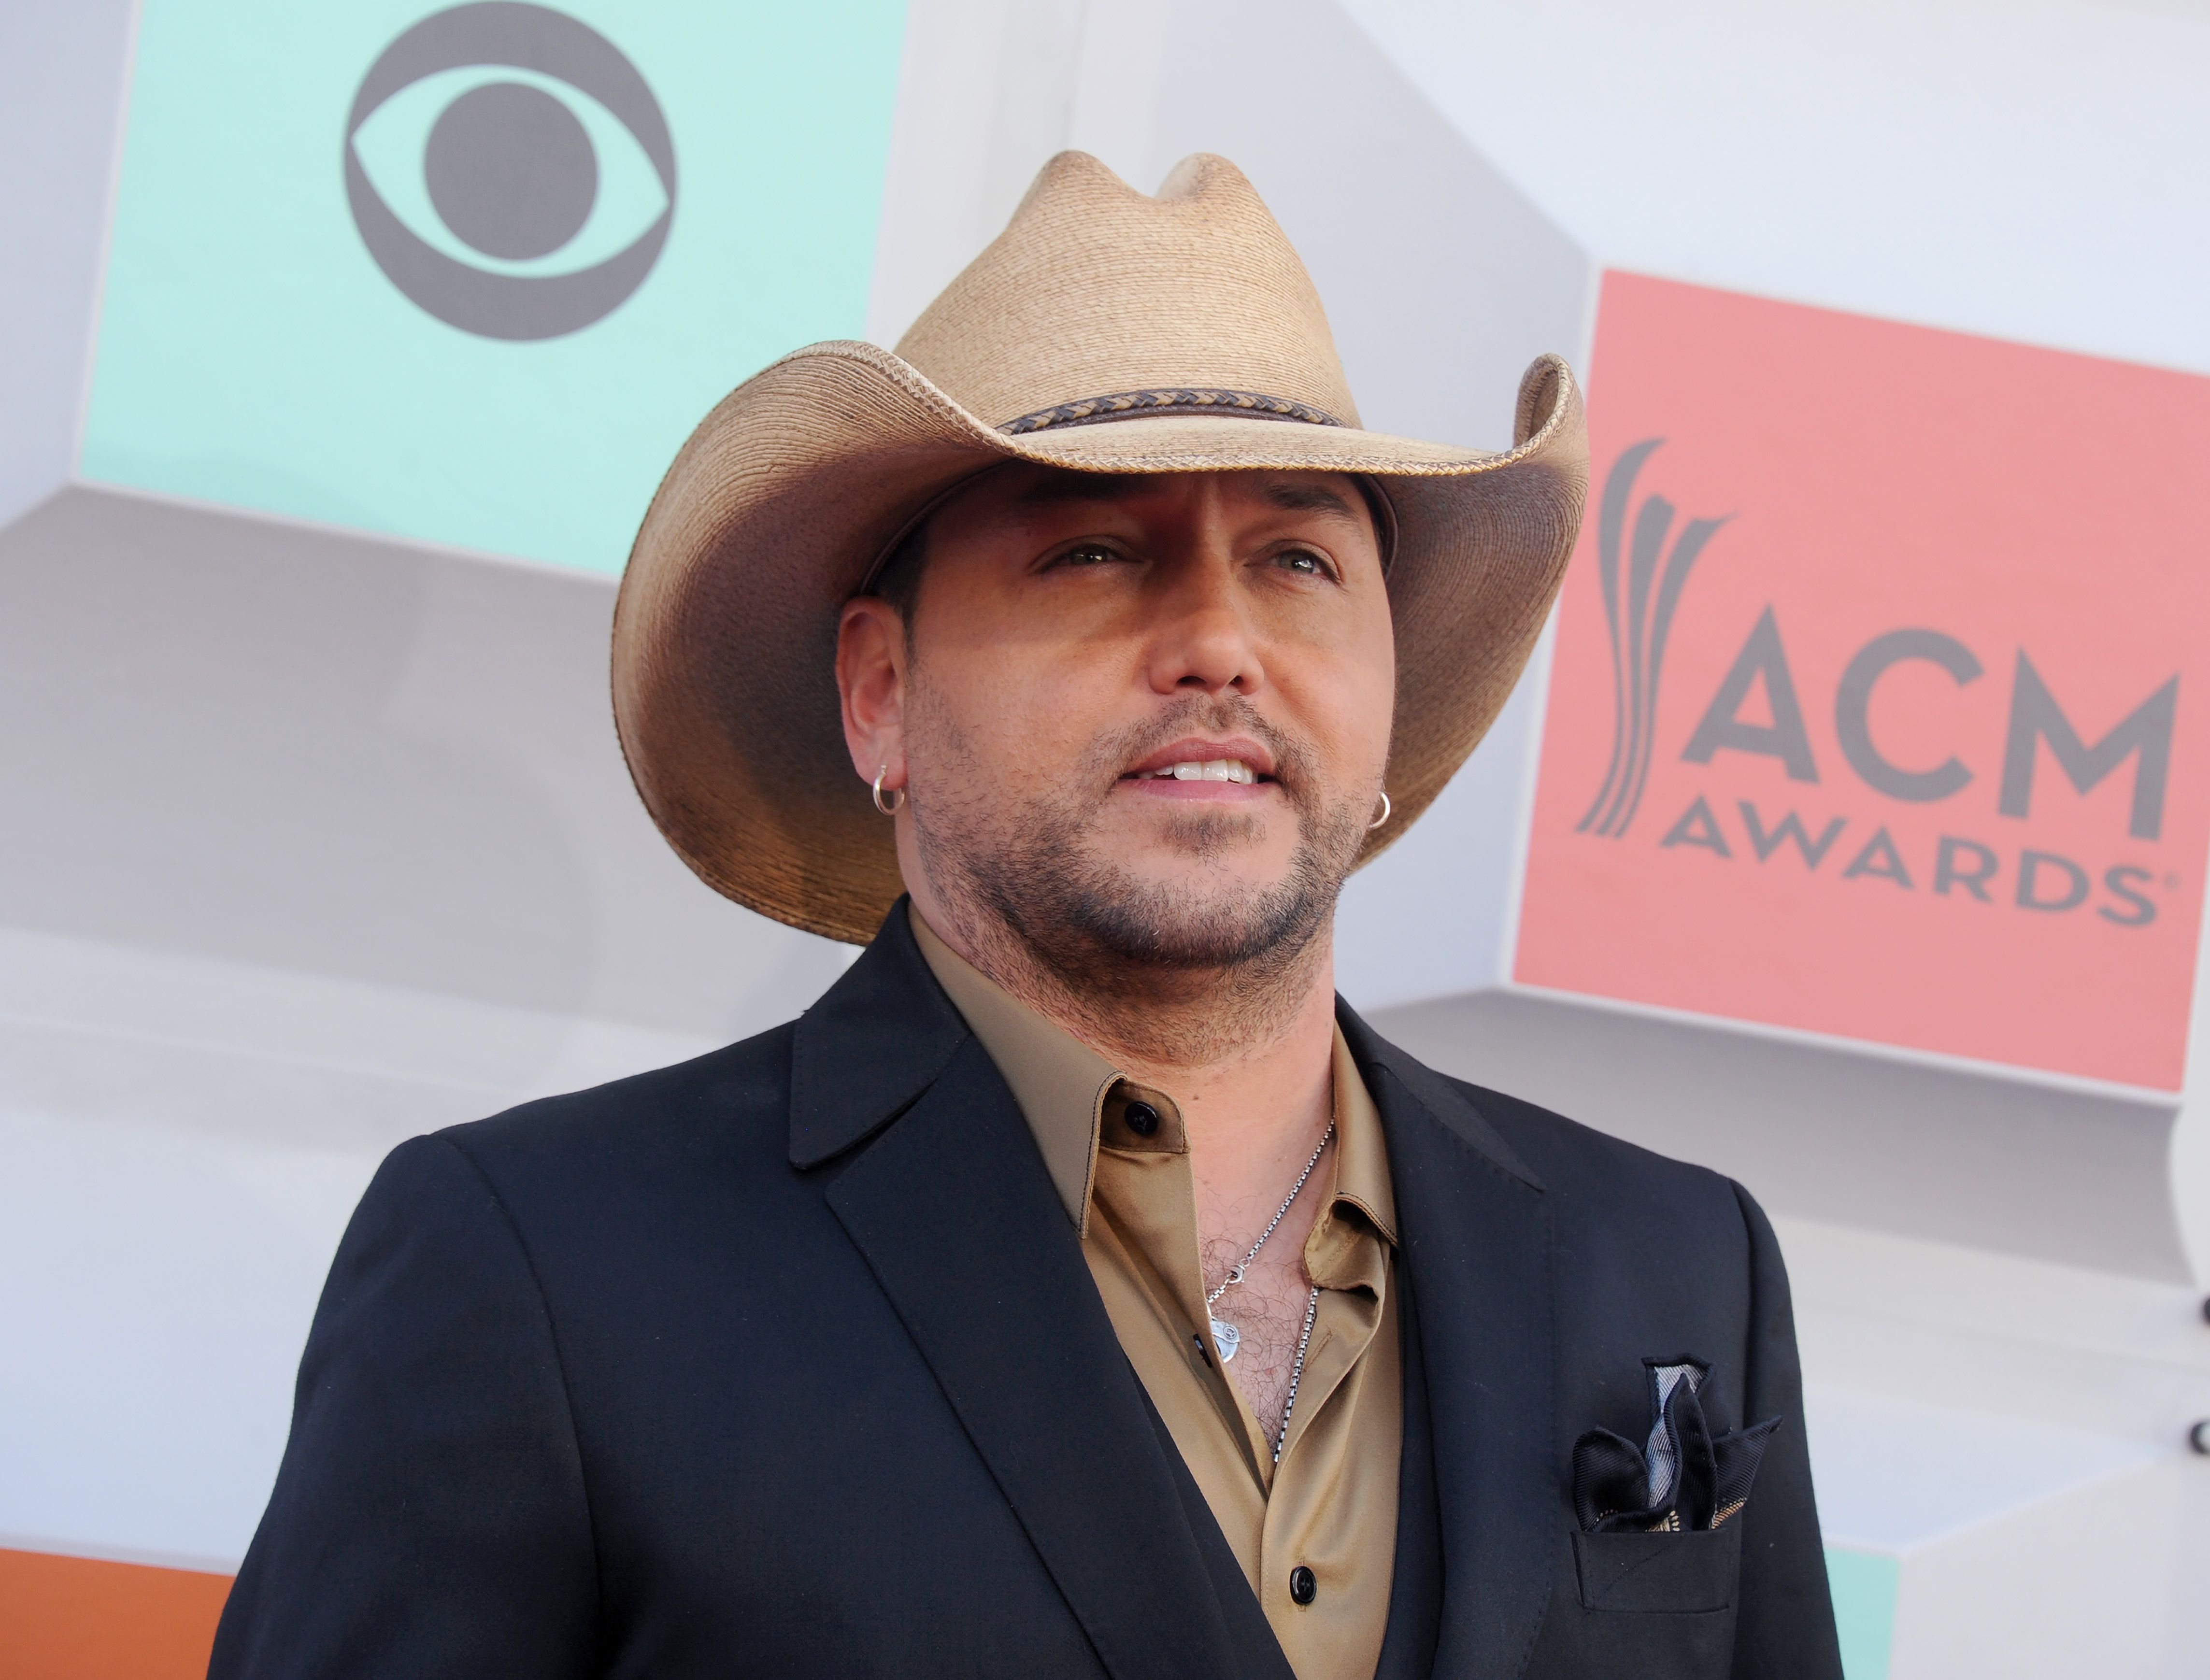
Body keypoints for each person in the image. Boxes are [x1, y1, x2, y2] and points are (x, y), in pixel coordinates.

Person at [210, 152, 1842, 1680]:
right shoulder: (539, 1267)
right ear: (880, 694)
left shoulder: (1678, 1268)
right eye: (1091, 552)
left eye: (1297, 560)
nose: (1219, 640)